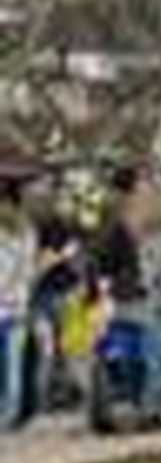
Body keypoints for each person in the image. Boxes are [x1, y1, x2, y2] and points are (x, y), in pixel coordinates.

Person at [90, 164, 161, 428]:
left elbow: (102, 260)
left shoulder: (120, 217)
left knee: (136, 354)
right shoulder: (125, 219)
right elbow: (106, 259)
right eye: (144, 185)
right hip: (135, 296)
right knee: (151, 354)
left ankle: (144, 407)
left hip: (129, 295)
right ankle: (148, 410)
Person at [28, 211, 82, 415]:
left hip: (57, 297)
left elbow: (75, 265)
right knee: (52, 352)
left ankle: (56, 399)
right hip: (50, 298)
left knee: (58, 351)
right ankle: (46, 402)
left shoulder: (52, 229)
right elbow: (39, 267)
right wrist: (61, 256)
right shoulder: (40, 233)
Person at [0, 177, 39, 430]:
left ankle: (9, 414)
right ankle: (11, 412)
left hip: (9, 306)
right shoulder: (29, 233)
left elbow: (10, 273)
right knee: (11, 363)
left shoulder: (15, 235)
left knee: (10, 364)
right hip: (18, 304)